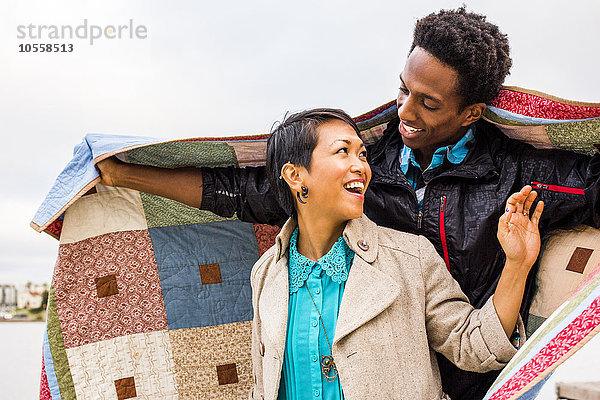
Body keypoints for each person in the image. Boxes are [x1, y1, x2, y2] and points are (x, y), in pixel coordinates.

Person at [97, 8, 600, 399]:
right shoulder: (364, 166)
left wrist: (519, 262)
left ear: (471, 111)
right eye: (403, 90)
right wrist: (125, 174)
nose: (405, 111)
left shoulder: (519, 174)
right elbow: (244, 190)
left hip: (475, 378)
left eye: (429, 102)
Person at [249, 108, 542, 400]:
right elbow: (263, 385)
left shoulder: (410, 258)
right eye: (343, 152)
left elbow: (473, 346)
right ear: (295, 175)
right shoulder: (265, 274)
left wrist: (517, 264)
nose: (361, 167)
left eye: (362, 154)